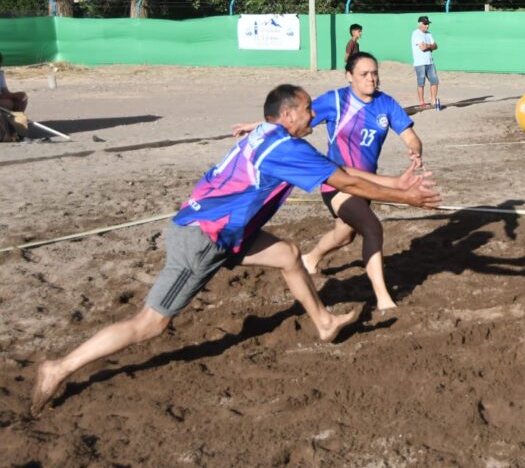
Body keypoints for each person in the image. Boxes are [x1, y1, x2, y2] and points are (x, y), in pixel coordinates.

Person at [32, 84, 442, 415]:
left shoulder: (270, 134)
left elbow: (341, 172)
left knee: (287, 253)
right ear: (287, 116)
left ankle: (323, 323)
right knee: (149, 324)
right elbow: (345, 182)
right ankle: (59, 367)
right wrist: (410, 200)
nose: (313, 114)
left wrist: (396, 185)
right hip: (203, 239)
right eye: (305, 109)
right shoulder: (286, 149)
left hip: (224, 233)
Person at [301, 52, 423, 311]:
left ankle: (309, 259)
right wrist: (259, 127)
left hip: (366, 184)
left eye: (375, 73)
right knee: (372, 228)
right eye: (364, 74)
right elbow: (295, 121)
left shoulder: (386, 103)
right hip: (336, 181)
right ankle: (383, 298)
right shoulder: (336, 100)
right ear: (349, 77)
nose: (371, 78)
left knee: (344, 236)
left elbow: (410, 135)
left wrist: (415, 150)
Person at [412, 15, 440, 110]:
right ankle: (422, 102)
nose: (427, 26)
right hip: (420, 63)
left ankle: (433, 100)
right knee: (421, 83)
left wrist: (429, 46)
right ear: (419, 24)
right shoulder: (416, 34)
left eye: (427, 24)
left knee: (435, 81)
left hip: (430, 61)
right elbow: (423, 48)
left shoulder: (429, 34)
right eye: (425, 24)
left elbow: (436, 46)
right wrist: (430, 46)